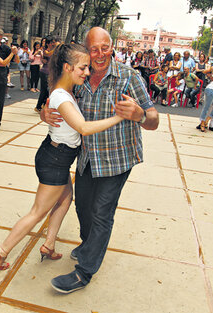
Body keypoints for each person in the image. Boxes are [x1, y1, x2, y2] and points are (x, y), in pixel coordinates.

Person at [0, 43, 126, 271]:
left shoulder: (66, 90)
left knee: (65, 199)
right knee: (38, 212)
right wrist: (119, 118)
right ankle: (1, 250)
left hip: (57, 156)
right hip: (54, 159)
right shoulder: (61, 95)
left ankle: (49, 245)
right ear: (67, 67)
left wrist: (44, 114)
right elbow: (82, 127)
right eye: (83, 68)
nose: (87, 72)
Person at [43, 27, 159, 294]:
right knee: (83, 208)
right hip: (86, 158)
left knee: (101, 213)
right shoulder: (78, 76)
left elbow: (154, 120)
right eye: (93, 49)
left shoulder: (129, 77)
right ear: (86, 50)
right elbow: (54, 102)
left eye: (105, 47)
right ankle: (89, 244)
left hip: (118, 159)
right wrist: (44, 115)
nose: (100, 54)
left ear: (112, 46)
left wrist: (140, 114)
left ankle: (84, 271)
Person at [35, 35, 57, 112]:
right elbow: (48, 54)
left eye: (54, 42)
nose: (53, 44)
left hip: (51, 73)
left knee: (49, 90)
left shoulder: (54, 51)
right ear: (48, 44)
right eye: (52, 43)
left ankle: (44, 105)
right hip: (44, 72)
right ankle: (38, 106)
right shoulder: (45, 51)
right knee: (44, 90)